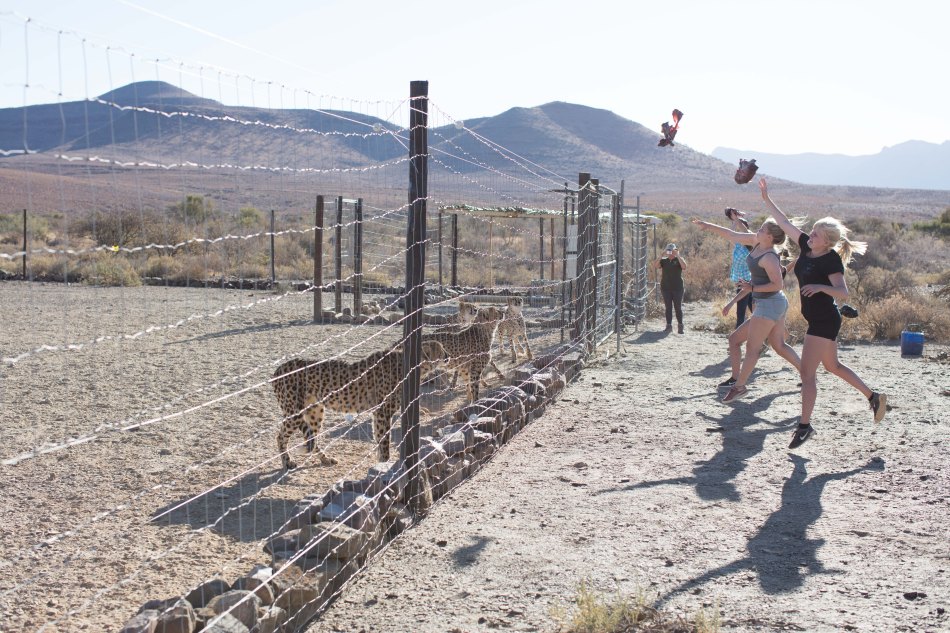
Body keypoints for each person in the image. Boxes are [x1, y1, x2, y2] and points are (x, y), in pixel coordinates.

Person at [759, 177, 887, 449]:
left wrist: (818, 285)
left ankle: (804, 426)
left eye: (816, 233)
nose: (810, 235)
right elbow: (784, 223)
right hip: (820, 319)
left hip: (824, 320)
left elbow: (843, 292)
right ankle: (874, 397)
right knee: (833, 367)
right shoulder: (806, 246)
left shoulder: (831, 260)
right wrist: (766, 198)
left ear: (826, 241)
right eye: (812, 231)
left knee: (807, 374)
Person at [692, 217, 801, 401]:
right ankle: (806, 374)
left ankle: (740, 387)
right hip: (771, 304)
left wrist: (752, 289)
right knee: (773, 345)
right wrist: (708, 225)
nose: (758, 230)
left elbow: (777, 285)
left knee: (752, 348)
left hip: (770, 304)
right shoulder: (756, 241)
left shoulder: (769, 257)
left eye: (762, 229)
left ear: (769, 236)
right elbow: (732, 235)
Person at [724, 207, 755, 327]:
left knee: (742, 314)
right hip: (740, 283)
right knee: (750, 312)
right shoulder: (738, 243)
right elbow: (730, 233)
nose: (737, 232)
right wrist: (734, 216)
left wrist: (738, 220)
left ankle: (737, 340)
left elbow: (745, 232)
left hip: (748, 283)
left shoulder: (750, 245)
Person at [653, 243, 686, 334]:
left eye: (672, 250)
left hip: (678, 288)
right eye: (668, 250)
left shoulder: (679, 260)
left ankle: (680, 326)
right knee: (668, 307)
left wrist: (678, 255)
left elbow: (684, 267)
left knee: (678, 307)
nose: (670, 252)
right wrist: (661, 255)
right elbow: (656, 265)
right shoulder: (664, 261)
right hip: (666, 288)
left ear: (675, 250)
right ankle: (668, 326)